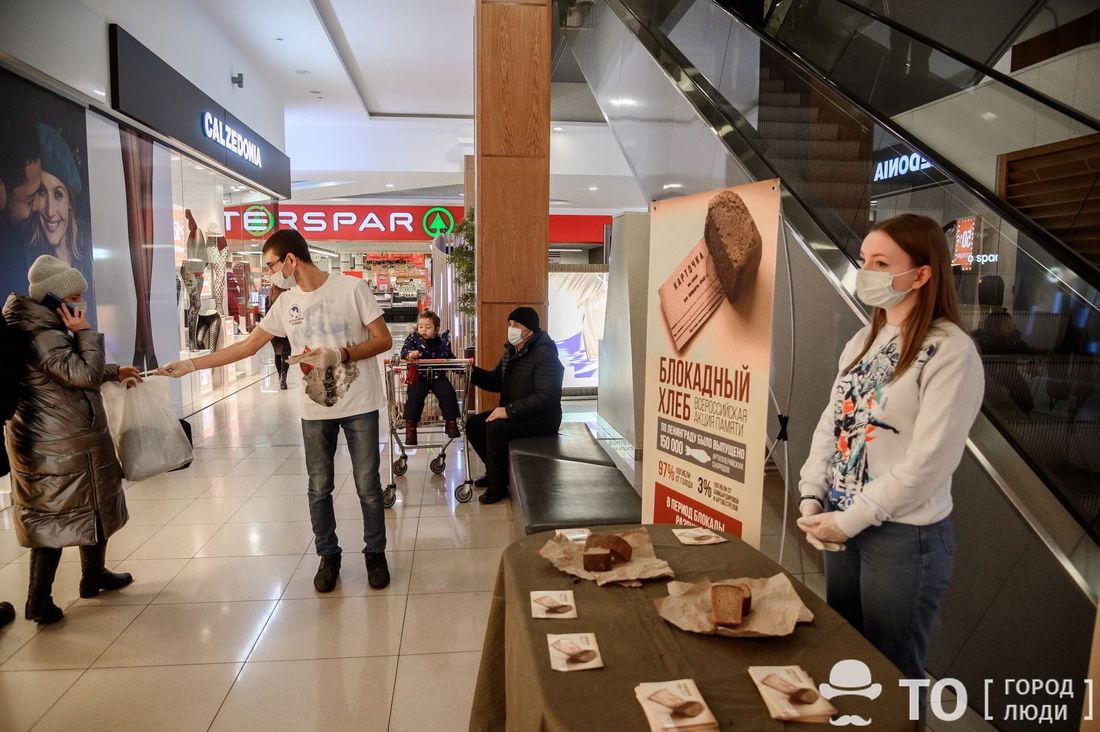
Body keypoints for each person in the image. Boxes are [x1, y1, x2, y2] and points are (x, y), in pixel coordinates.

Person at [796, 214, 984, 706]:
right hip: (842, 522)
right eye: (864, 261)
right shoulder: (864, 340)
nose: (867, 273)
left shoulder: (951, 352)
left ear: (921, 274)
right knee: (847, 657)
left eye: (881, 263)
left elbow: (930, 461)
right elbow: (833, 421)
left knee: (894, 672)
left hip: (903, 536)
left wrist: (850, 519)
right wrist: (813, 494)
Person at [157, 229, 394, 592]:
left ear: (290, 260)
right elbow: (247, 347)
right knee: (319, 487)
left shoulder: (352, 289)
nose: (269, 273)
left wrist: (341, 354)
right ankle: (328, 555)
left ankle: (375, 554)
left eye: (270, 265)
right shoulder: (286, 304)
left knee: (368, 486)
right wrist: (191, 365)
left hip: (360, 404)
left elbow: (383, 340)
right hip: (315, 411)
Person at [3, 255, 139, 625]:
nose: (81, 303)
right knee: (53, 520)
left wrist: (112, 371)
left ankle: (94, 575)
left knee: (92, 506)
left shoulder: (41, 326)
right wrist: (85, 333)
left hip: (68, 438)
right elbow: (81, 375)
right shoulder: (40, 333)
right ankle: (38, 601)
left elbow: (65, 371)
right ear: (52, 298)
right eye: (74, 297)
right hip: (55, 444)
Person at [466, 307, 564, 504]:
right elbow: (495, 381)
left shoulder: (545, 354)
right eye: (510, 324)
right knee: (474, 424)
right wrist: (471, 372)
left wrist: (509, 411)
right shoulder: (511, 351)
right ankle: (495, 472)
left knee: (496, 427)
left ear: (529, 329)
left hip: (543, 418)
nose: (511, 329)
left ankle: (498, 487)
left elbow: (546, 397)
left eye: (516, 325)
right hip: (519, 412)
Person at [28, 124, 86, 268]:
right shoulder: (27, 258)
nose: (50, 211)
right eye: (42, 192)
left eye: (58, 194)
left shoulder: (89, 247)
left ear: (70, 201)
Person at [400, 309, 461, 445]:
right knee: (415, 395)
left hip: (438, 376)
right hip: (418, 376)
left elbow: (449, 358)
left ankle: (451, 423)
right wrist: (410, 355)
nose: (423, 329)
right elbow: (404, 351)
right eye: (421, 326)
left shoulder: (442, 342)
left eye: (428, 327)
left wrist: (459, 369)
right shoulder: (413, 338)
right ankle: (411, 429)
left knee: (448, 392)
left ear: (436, 329)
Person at [265, 270, 294, 390]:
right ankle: (283, 378)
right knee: (286, 354)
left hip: (273, 331)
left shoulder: (268, 299)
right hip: (286, 330)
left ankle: (279, 375)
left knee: (277, 354)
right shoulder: (287, 299)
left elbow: (267, 317)